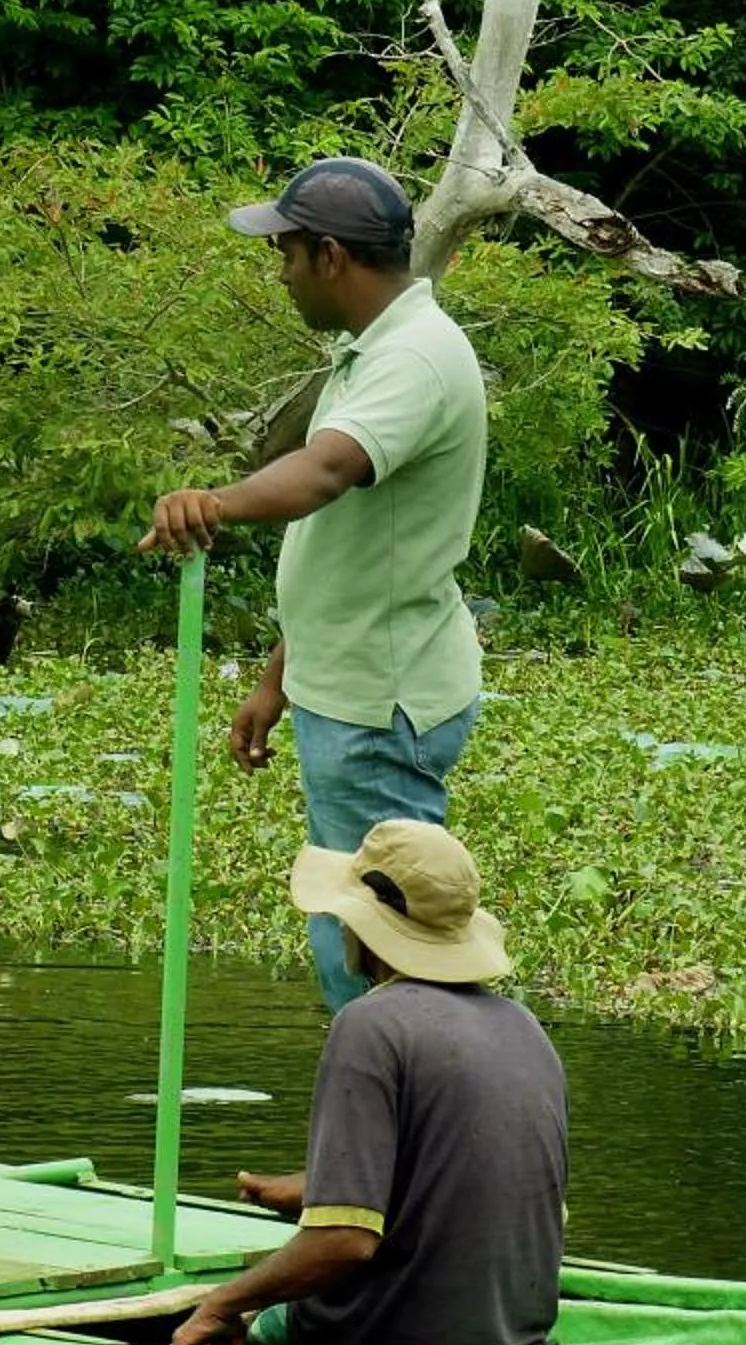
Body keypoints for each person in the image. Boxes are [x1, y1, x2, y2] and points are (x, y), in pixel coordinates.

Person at [139, 155, 488, 1012]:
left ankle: (394, 1104)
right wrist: (278, 678)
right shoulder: (374, 350)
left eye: (287, 255)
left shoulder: (415, 358)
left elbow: (325, 473)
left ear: (330, 257)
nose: (283, 274)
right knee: (354, 929)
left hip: (380, 704)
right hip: (352, 682)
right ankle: (375, 1102)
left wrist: (210, 502)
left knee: (389, 949)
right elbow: (351, 549)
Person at [170, 819, 565, 1345]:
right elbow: (471, 1182)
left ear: (367, 925)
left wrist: (222, 1304)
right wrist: (317, 1189)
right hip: (510, 1335)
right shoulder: (523, 1026)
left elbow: (344, 1242)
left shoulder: (370, 1025)